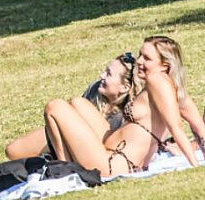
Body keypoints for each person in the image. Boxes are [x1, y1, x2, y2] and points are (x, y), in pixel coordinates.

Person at [44, 36, 205, 176]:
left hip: (113, 164)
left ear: (165, 65)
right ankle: (68, 162)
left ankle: (65, 167)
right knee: (78, 103)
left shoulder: (156, 80)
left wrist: (194, 165)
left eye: (147, 58)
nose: (139, 61)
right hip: (117, 157)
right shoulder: (174, 90)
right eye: (140, 55)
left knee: (54, 107)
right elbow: (199, 128)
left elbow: (176, 128)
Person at [5, 52, 141, 160]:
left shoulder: (127, 114)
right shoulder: (95, 89)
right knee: (12, 150)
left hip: (94, 150)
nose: (102, 76)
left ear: (125, 87)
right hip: (67, 137)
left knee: (69, 105)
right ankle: (56, 155)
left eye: (109, 74)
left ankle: (64, 163)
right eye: (105, 71)